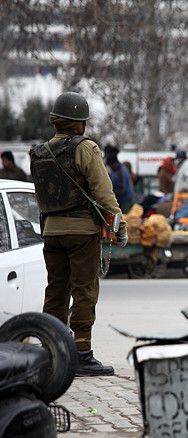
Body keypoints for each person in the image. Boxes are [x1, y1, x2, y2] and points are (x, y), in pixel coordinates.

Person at [29, 91, 127, 376]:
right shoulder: (85, 148)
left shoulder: (39, 152)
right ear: (79, 123)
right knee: (84, 290)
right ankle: (82, 353)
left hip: (51, 232)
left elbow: (42, 197)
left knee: (55, 290)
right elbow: (103, 192)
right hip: (82, 233)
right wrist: (120, 226)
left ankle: (52, 350)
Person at [103, 145, 134, 213]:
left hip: (125, 200)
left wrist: (107, 194)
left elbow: (122, 189)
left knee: (123, 219)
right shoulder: (114, 170)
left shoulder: (120, 171)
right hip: (120, 200)